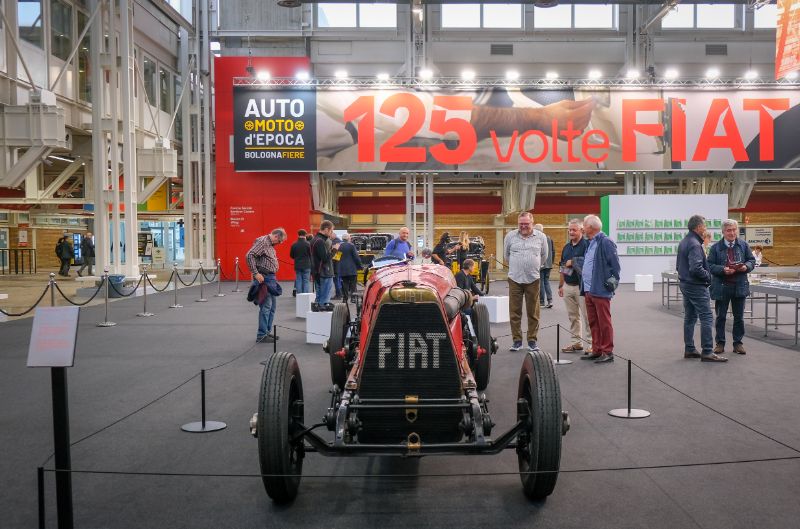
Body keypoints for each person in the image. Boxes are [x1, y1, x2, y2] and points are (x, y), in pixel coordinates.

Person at [676, 215, 727, 362]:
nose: (705, 228)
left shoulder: (685, 241)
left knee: (690, 317)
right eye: (704, 226)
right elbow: (696, 268)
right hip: (695, 285)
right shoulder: (694, 244)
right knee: (706, 317)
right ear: (698, 227)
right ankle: (707, 351)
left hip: (686, 284)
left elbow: (679, 266)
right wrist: (709, 277)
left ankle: (690, 349)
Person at [708, 219, 756, 356]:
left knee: (739, 317)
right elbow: (710, 265)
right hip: (722, 287)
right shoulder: (715, 248)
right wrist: (723, 269)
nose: (732, 232)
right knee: (721, 317)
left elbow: (751, 260)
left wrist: (747, 266)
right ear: (723, 232)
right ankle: (720, 343)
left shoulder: (743, 245)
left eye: (734, 229)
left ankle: (738, 343)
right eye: (729, 230)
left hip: (739, 286)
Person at [504, 211, 549, 352]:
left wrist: (533, 267)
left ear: (532, 223)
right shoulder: (510, 236)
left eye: (526, 224)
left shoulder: (541, 237)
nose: (523, 226)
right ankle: (517, 341)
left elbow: (544, 256)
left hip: (533, 279)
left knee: (533, 313)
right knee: (514, 312)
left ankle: (532, 341)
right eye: (521, 224)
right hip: (514, 278)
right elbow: (506, 256)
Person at [579, 215, 620, 364]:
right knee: (593, 322)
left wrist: (610, 285)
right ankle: (597, 350)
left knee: (604, 322)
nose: (582, 228)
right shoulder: (591, 242)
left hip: (600, 290)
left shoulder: (606, 242)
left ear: (591, 227)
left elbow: (615, 267)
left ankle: (607, 352)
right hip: (589, 290)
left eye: (584, 225)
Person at [246, 227, 287, 343]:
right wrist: (256, 273)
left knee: (272, 307)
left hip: (270, 278)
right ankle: (262, 334)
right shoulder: (263, 242)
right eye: (279, 241)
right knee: (266, 307)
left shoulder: (269, 244)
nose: (279, 244)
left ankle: (267, 332)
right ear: (276, 237)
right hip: (265, 278)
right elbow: (249, 255)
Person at [558, 219, 592, 354]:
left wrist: (573, 262)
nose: (571, 232)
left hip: (582, 287)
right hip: (568, 286)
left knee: (588, 316)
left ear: (581, 231)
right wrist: (561, 285)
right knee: (573, 317)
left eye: (574, 230)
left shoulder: (587, 245)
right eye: (569, 229)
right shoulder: (566, 247)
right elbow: (562, 267)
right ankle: (576, 343)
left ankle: (592, 344)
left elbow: (589, 266)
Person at [311, 220, 336, 308]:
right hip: (324, 272)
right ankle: (322, 309)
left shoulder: (315, 239)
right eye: (331, 230)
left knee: (319, 296)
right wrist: (334, 250)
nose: (331, 233)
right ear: (326, 229)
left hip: (318, 271)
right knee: (324, 298)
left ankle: (319, 311)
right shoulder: (320, 241)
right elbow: (325, 258)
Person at [336, 233, 362, 303]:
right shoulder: (351, 246)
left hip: (342, 269)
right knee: (353, 284)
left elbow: (337, 258)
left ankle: (345, 298)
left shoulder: (339, 246)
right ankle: (353, 298)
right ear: (348, 239)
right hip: (352, 268)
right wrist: (360, 266)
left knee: (344, 284)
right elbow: (356, 257)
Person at [535, 224, 555, 309]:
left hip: (542, 264)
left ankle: (542, 302)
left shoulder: (539, 239)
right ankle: (550, 300)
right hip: (549, 264)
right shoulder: (549, 238)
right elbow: (553, 251)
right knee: (546, 282)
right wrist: (551, 262)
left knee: (541, 282)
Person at [289, 229, 311, 296]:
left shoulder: (294, 244)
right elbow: (311, 255)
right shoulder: (308, 244)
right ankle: (305, 295)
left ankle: (299, 295)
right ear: (305, 235)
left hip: (297, 265)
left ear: (298, 235)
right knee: (306, 280)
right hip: (307, 265)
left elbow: (291, 255)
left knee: (298, 280)